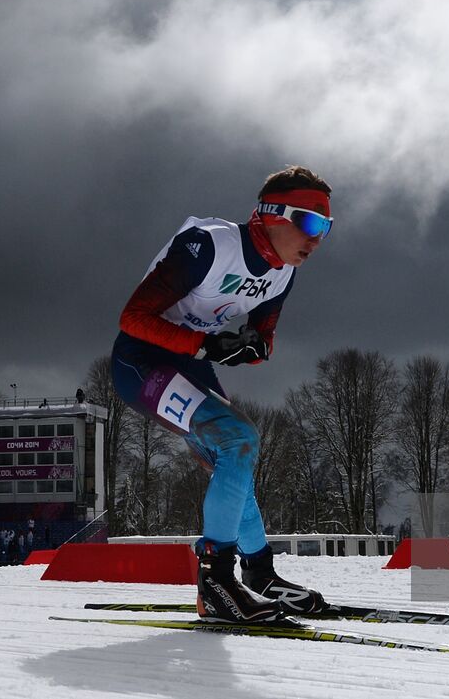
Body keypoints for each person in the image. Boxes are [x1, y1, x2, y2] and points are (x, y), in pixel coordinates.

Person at [111, 166, 333, 623]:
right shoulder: (211, 245)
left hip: (190, 363)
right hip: (141, 362)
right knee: (239, 439)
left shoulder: (283, 274)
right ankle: (215, 583)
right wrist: (205, 344)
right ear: (272, 214)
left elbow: (262, 340)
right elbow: (132, 318)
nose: (317, 239)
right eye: (310, 223)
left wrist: (250, 348)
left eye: (326, 228)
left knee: (233, 458)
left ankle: (258, 574)